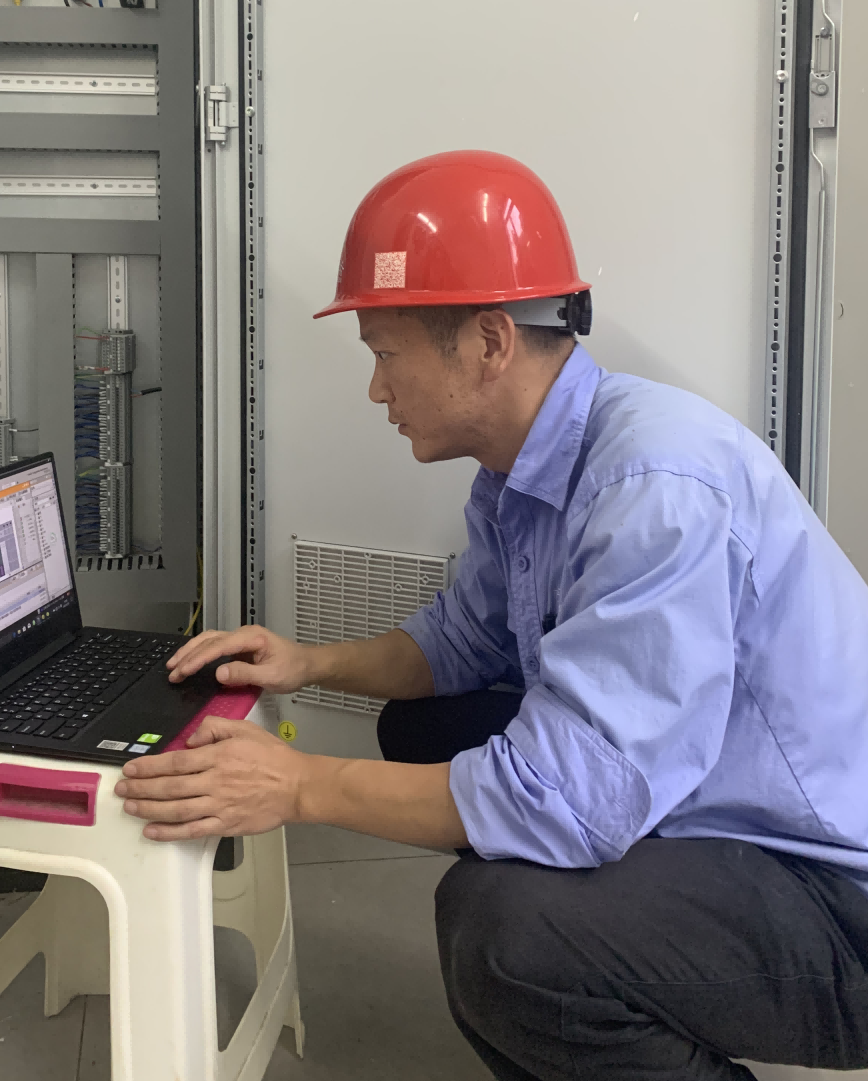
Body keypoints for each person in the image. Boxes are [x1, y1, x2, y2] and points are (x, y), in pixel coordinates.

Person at [115, 150, 868, 1080]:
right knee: (420, 727)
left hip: (831, 884)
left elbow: (568, 798)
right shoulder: (525, 473)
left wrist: (298, 786)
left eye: (385, 355)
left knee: (502, 936)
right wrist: (306, 661)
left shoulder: (654, 487)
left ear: (488, 342)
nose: (377, 389)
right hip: (709, 797)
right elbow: (461, 643)